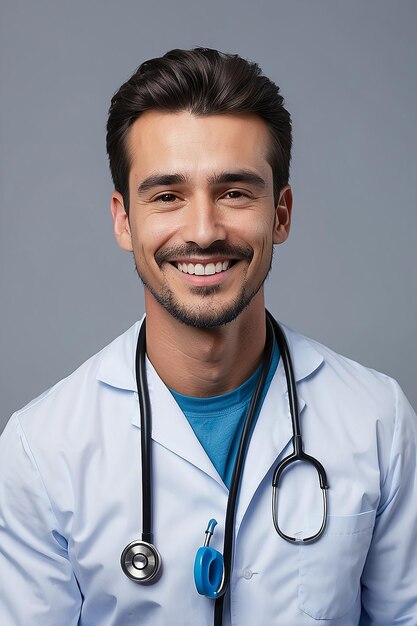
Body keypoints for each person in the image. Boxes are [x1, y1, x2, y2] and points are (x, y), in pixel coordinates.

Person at [0, 48, 416, 626]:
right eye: (167, 195)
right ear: (124, 220)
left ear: (281, 213)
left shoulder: (378, 421)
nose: (203, 231)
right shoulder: (40, 451)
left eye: (235, 192)